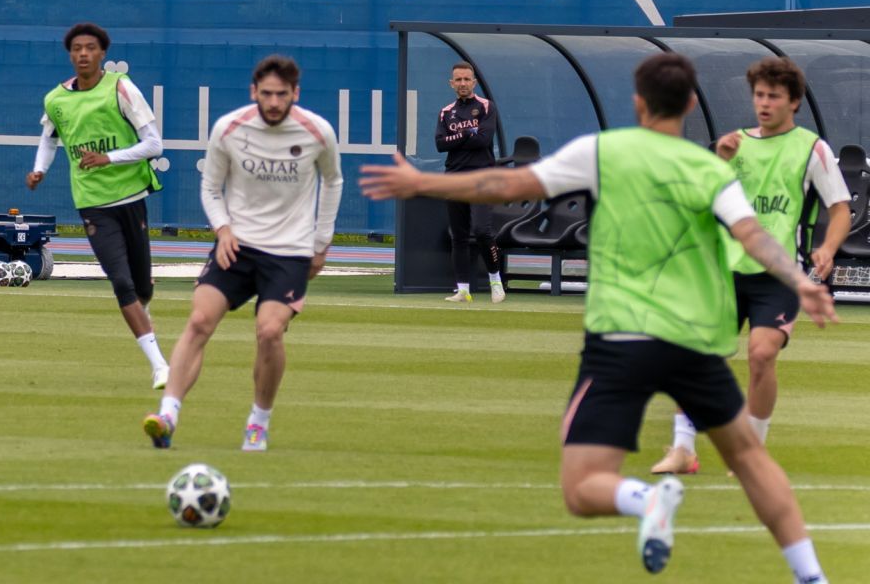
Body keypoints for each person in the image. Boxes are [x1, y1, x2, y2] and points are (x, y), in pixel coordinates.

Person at [360, 52, 837, 582]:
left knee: (582, 487)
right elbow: (753, 236)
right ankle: (811, 574)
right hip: (690, 341)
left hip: (620, 340)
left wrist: (421, 183)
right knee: (752, 462)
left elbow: (503, 186)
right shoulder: (708, 167)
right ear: (689, 105)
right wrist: (799, 281)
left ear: (637, 102)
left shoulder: (601, 152)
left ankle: (643, 501)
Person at [652, 55, 852, 476]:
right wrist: (719, 161)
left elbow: (840, 210)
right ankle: (683, 449)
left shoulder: (812, 149)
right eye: (759, 95)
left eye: (773, 96)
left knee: (762, 354)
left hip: (778, 274)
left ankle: (750, 453)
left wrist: (829, 249)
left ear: (793, 101)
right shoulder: (733, 144)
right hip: (723, 269)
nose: (763, 103)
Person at [143, 55, 341, 454]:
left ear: (294, 94)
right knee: (199, 321)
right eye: (265, 93)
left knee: (269, 332)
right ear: (254, 92)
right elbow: (211, 188)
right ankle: (167, 416)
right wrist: (223, 228)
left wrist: (320, 244)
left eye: (281, 95)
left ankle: (258, 423)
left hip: (289, 253)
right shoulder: (229, 128)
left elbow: (333, 180)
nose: (272, 102)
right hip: (238, 245)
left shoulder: (317, 131)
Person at [27, 22, 168, 387]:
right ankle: (159, 365)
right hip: (92, 204)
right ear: (70, 54)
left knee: (143, 288)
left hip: (131, 196)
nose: (83, 53)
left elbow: (154, 145)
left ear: (103, 53)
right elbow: (49, 139)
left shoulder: (121, 88)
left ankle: (141, 315)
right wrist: (39, 169)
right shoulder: (56, 100)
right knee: (120, 281)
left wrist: (110, 159)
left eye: (90, 47)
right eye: (77, 48)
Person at [435, 61, 505, 303]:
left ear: (474, 82)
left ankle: (496, 281)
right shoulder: (446, 112)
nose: (463, 84)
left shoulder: (486, 107)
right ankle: (463, 289)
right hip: (454, 177)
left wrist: (460, 137)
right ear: (451, 83)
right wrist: (466, 133)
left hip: (482, 177)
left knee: (482, 230)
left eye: (467, 79)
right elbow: (440, 144)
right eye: (458, 80)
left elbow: (484, 140)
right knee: (459, 235)